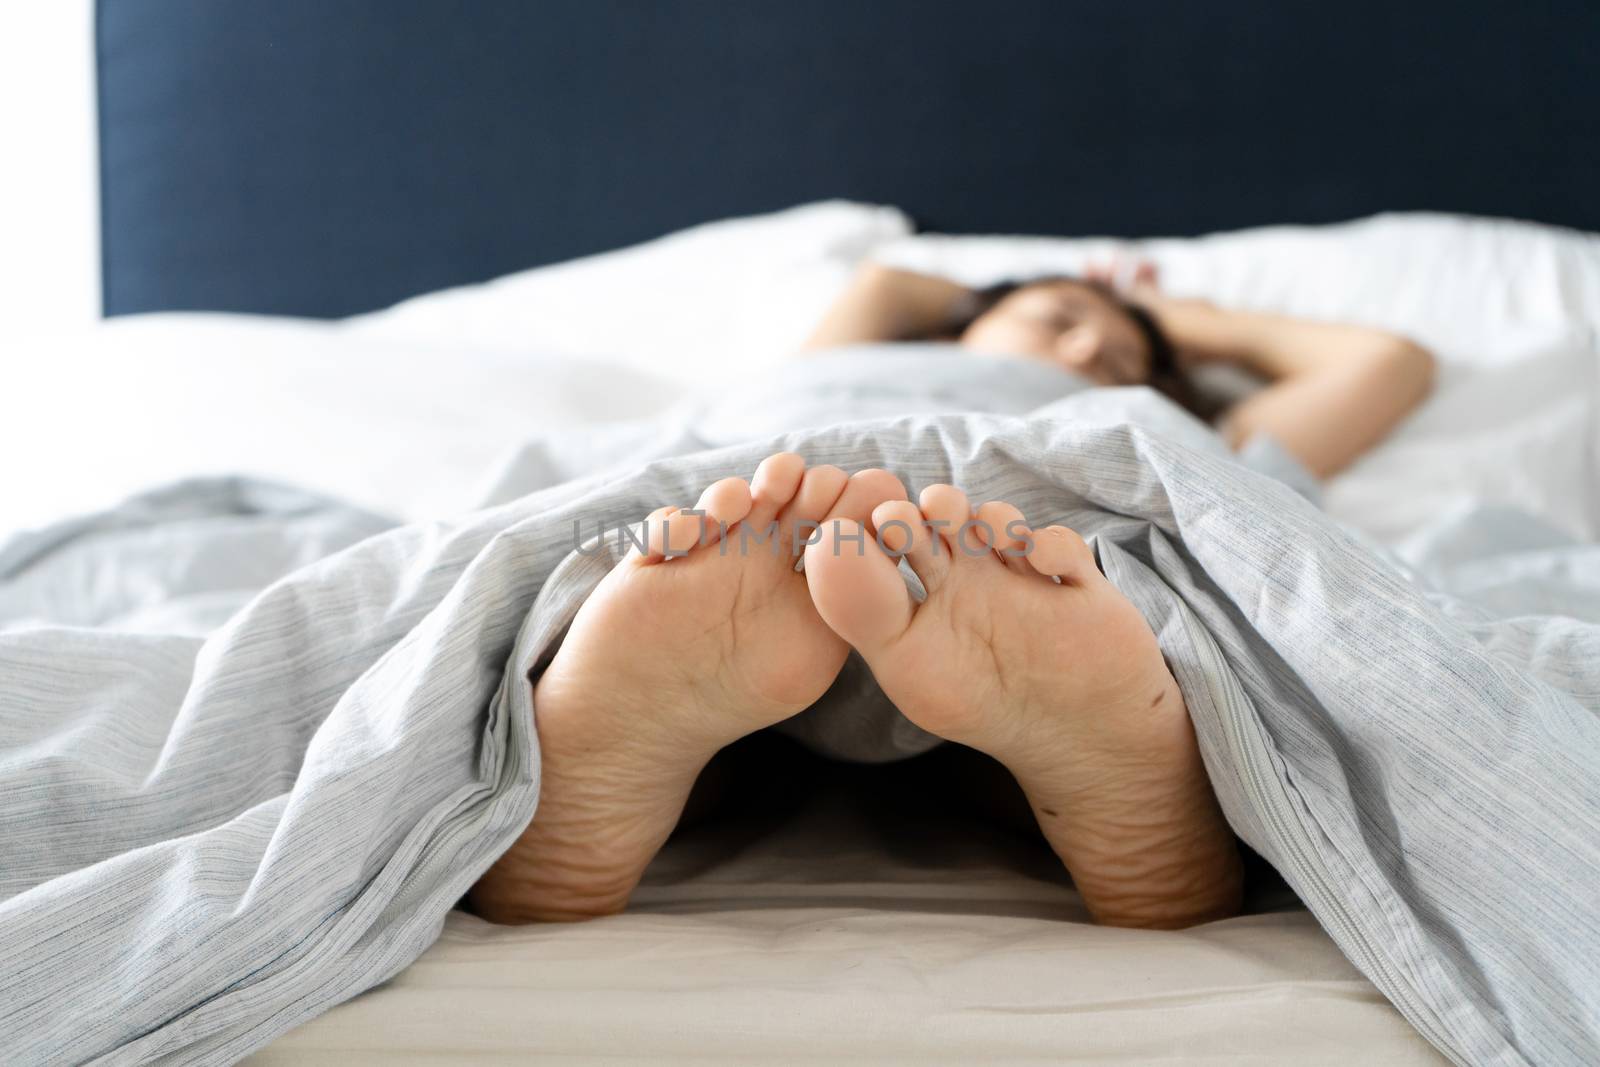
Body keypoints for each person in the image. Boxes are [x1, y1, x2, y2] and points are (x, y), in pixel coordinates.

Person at [466, 264, 1436, 931]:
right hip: (795, 510)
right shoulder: (827, 371)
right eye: (1055, 318)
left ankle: (1123, 774)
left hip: (995, 559)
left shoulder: (1172, 426)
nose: (1092, 343)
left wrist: (1166, 324)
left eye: (1121, 359)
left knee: (1078, 651)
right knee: (1000, 690)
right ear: (952, 330)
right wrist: (1093, 295)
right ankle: (1136, 785)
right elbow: (882, 282)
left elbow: (1390, 362)